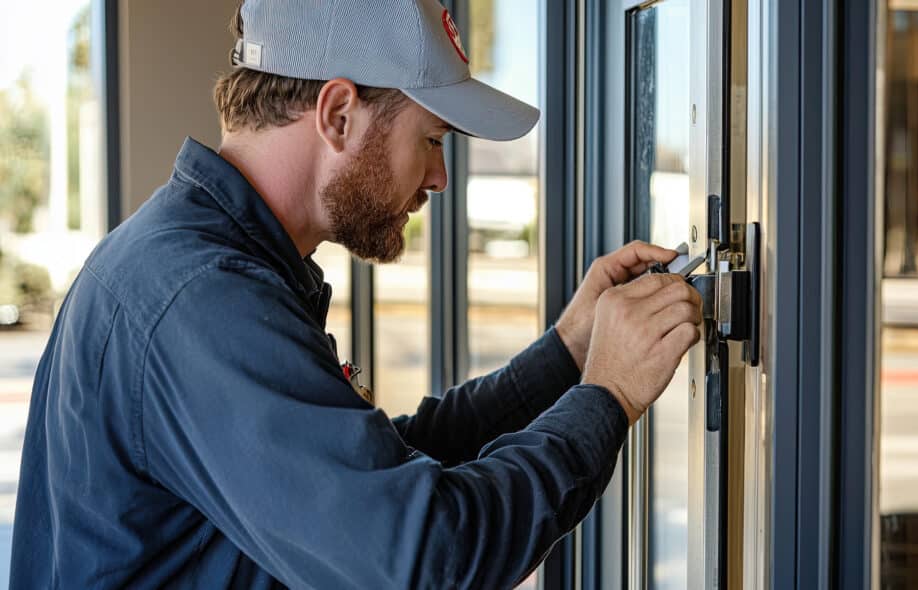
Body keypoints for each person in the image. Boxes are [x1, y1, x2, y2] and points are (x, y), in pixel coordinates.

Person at [10, 1, 702, 588]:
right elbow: (423, 556)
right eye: (431, 140)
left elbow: (373, 475)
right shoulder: (204, 299)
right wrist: (607, 397)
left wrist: (569, 354)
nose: (439, 178)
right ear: (338, 113)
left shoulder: (204, 263)